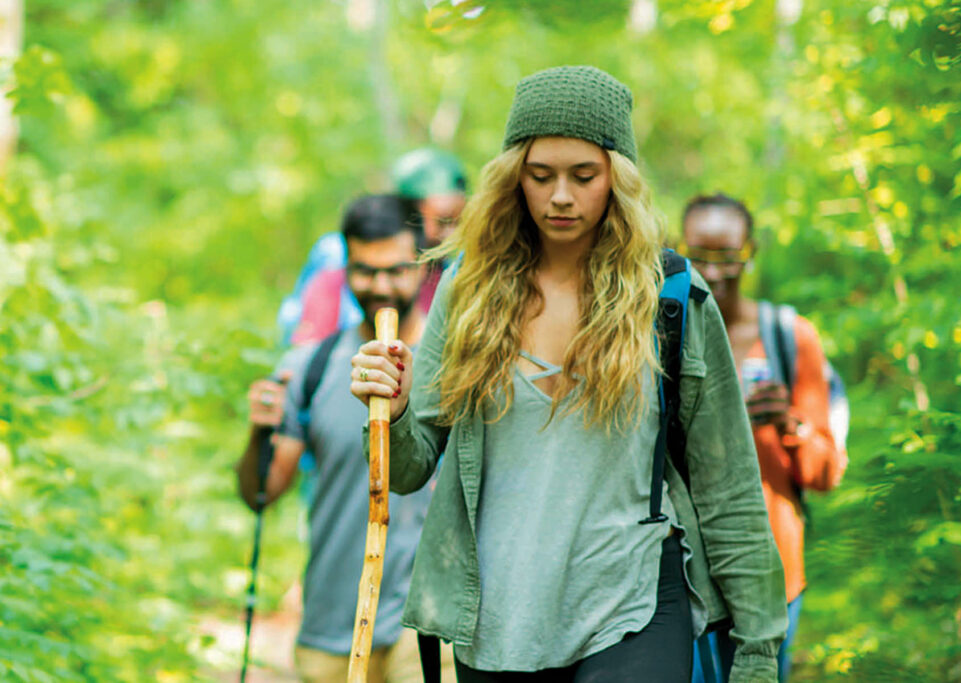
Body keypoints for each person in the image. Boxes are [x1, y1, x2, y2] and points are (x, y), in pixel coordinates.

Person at [351, 66, 787, 682]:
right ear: (513, 178)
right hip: (497, 615)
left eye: (584, 176)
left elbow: (728, 485)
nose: (561, 196)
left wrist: (758, 647)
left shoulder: (669, 298)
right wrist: (391, 411)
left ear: (617, 178)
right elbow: (412, 466)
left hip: (631, 601)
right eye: (540, 175)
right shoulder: (467, 292)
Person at [237, 194, 455, 683]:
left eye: (396, 270)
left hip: (429, 625)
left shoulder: (456, 365)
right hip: (332, 625)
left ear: (421, 266)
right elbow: (261, 492)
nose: (380, 286)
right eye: (364, 270)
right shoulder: (309, 367)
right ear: (346, 269)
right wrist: (259, 433)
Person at [682, 193, 848, 681]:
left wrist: (790, 425)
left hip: (774, 572)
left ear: (750, 252)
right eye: (699, 256)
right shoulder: (665, 331)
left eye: (727, 256)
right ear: (677, 250)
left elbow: (826, 471)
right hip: (683, 575)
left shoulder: (790, 337)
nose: (713, 272)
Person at [289, 149, 468, 346]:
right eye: (442, 221)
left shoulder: (451, 276)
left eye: (457, 222)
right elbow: (308, 347)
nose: (450, 234)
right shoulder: (334, 265)